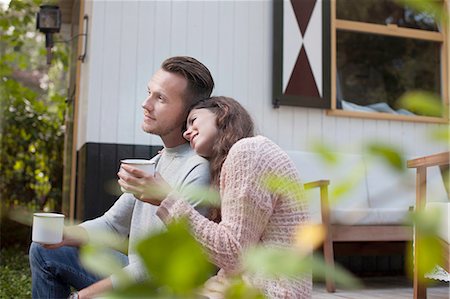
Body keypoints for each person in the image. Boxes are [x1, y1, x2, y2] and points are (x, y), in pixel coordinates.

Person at [29, 56, 215, 299]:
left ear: (189, 113)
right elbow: (113, 224)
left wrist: (83, 296)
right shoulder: (156, 162)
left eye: (161, 98)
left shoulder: (197, 170)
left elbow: (158, 269)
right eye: (150, 92)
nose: (146, 104)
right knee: (44, 250)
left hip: (160, 290)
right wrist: (66, 235)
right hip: (136, 272)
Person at [119, 96, 312, 298]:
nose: (186, 133)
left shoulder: (248, 151)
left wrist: (167, 198)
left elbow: (233, 253)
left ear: (222, 112)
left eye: (193, 120)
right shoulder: (240, 160)